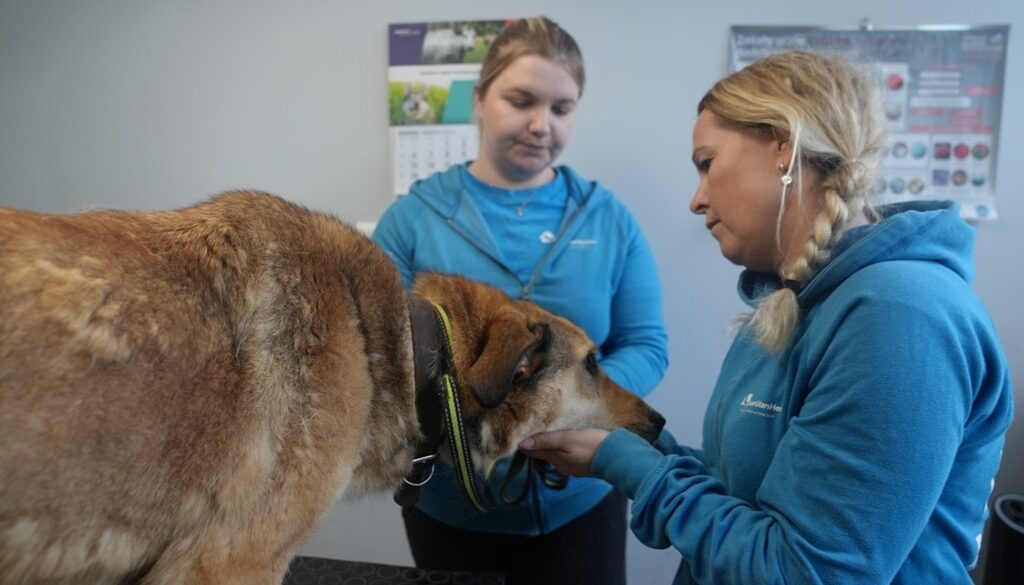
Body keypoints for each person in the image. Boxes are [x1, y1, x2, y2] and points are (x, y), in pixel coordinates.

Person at [521, 50, 1013, 584]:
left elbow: (802, 572)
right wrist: (632, 443)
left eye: (707, 164)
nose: (697, 200)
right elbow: (746, 489)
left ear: (783, 145)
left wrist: (628, 464)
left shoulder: (900, 317)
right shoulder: (790, 301)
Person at [372, 16, 669, 585]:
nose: (541, 125)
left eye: (562, 108)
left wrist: (567, 401)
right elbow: (379, 359)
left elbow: (647, 342)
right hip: (449, 505)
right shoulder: (412, 221)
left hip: (580, 498)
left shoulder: (608, 220)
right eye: (521, 100)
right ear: (480, 100)